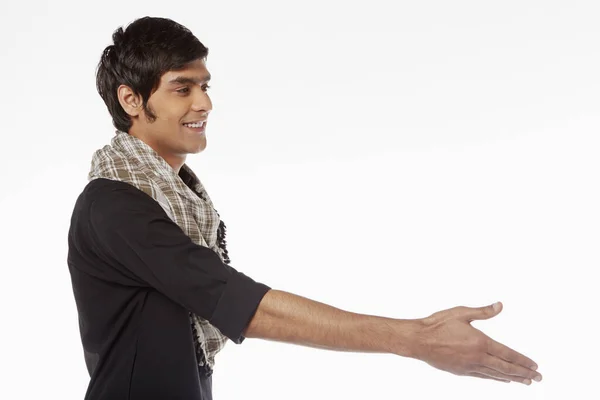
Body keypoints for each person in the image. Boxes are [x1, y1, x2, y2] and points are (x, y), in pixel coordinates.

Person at [67, 16, 543, 400]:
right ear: (130, 99)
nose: (205, 102)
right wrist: (415, 338)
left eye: (205, 85)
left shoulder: (174, 197)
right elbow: (236, 303)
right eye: (182, 88)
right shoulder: (114, 206)